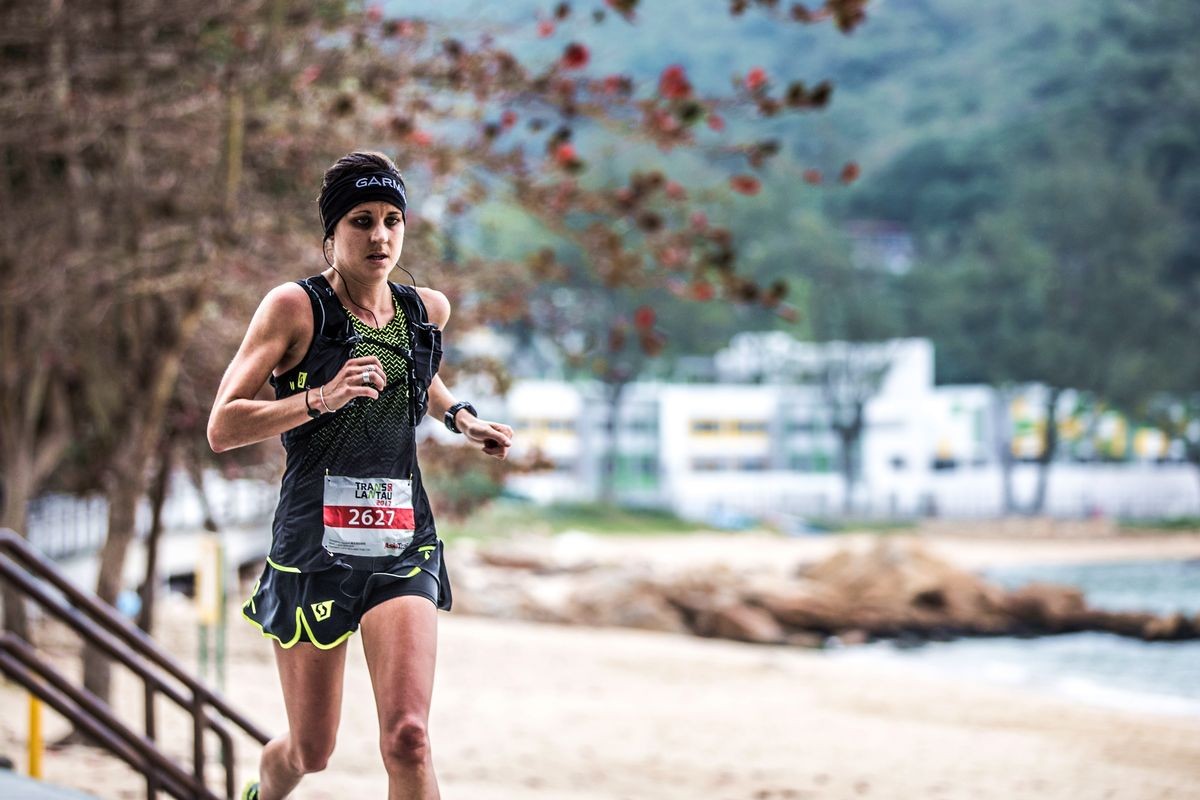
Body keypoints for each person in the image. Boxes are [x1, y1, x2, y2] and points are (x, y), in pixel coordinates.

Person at [207, 151, 513, 800]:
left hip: (402, 539)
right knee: (310, 751)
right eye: (361, 220)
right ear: (332, 232)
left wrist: (461, 418)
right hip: (314, 546)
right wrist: (323, 396)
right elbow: (223, 425)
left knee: (409, 738)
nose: (380, 236)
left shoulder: (425, 310)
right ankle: (263, 788)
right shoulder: (295, 308)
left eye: (392, 220)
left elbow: (417, 373)